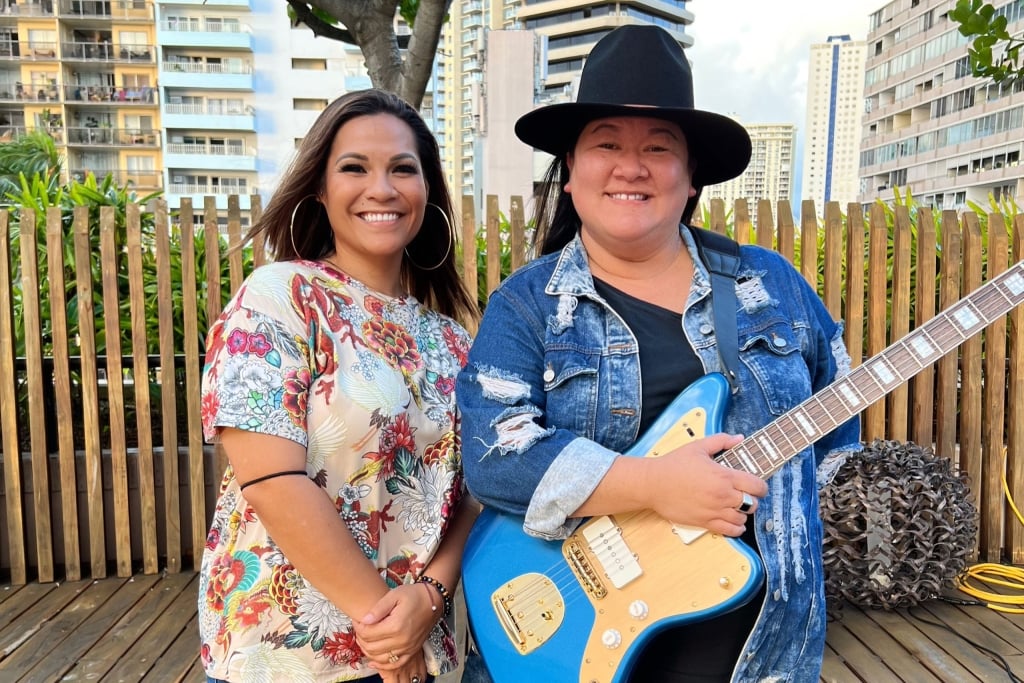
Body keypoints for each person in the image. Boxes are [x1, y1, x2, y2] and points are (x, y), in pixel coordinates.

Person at [456, 25, 861, 683]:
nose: (631, 166)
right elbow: (493, 457)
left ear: (690, 175)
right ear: (570, 171)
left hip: (762, 656)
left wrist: (781, 518)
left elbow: (837, 421)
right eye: (606, 143)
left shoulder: (771, 286)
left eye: (658, 147)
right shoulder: (526, 306)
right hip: (577, 648)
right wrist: (656, 486)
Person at [199, 88, 479, 683]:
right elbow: (270, 479)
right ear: (320, 190)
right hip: (286, 653)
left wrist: (429, 598)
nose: (382, 188)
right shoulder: (279, 298)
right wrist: (387, 632)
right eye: (354, 167)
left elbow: (473, 495)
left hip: (418, 647)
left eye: (403, 168)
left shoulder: (453, 341)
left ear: (427, 191)